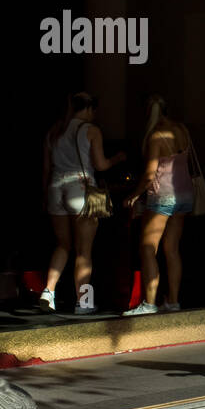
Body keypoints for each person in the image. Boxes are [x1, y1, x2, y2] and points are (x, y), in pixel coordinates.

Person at [39, 92, 126, 314]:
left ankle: (48, 292)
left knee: (62, 245)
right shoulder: (91, 130)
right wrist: (117, 159)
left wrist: (44, 197)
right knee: (83, 252)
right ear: (90, 109)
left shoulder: (55, 131)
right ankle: (83, 302)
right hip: (80, 189)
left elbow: (46, 169)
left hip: (55, 189)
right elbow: (101, 165)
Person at [122, 96, 195, 315]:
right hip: (184, 195)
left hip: (162, 196)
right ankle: (173, 302)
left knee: (147, 249)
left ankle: (149, 303)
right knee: (172, 249)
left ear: (148, 113)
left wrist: (133, 195)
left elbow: (149, 174)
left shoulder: (156, 136)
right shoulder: (181, 129)